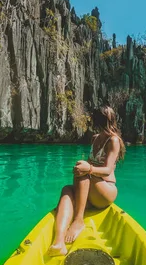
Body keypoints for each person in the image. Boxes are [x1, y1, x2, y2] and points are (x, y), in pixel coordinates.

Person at [47, 106, 126, 256]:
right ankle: (59, 242)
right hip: (91, 189)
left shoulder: (114, 140)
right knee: (66, 190)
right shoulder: (95, 138)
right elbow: (89, 163)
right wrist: (83, 168)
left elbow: (108, 170)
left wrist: (88, 169)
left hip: (106, 191)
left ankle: (78, 220)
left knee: (84, 171)